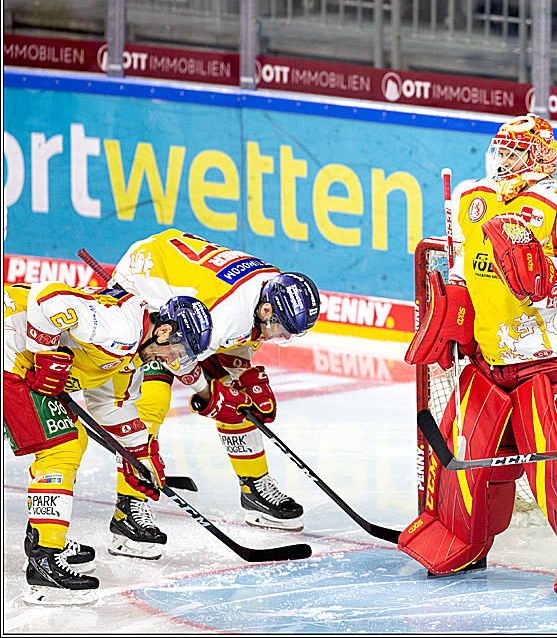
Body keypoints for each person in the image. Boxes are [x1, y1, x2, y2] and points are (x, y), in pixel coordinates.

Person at [399, 113, 557, 601]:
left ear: (540, 155)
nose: (507, 160)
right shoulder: (472, 197)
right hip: (493, 357)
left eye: (517, 152)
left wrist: (532, 267)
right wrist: (453, 315)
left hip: (556, 360)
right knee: (464, 450)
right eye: (502, 151)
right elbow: (466, 272)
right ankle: (464, 539)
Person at [109, 229, 321, 557]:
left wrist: (243, 377)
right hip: (147, 282)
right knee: (153, 398)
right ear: (266, 310)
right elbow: (178, 358)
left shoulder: (270, 291)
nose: (279, 337)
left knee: (240, 396)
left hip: (192, 293)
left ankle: (254, 487)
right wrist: (210, 396)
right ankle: (129, 508)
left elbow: (241, 342)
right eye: (280, 329)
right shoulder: (227, 315)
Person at [3, 280, 211, 604]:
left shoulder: (133, 353)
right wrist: (45, 356)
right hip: (10, 354)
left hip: (18, 360)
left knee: (71, 438)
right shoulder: (122, 327)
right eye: (178, 351)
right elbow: (48, 299)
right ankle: (45, 556)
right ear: (165, 331)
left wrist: (141, 455)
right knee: (62, 446)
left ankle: (45, 537)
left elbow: (110, 405)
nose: (174, 361)